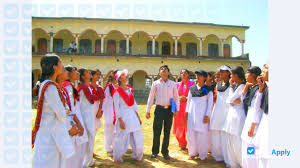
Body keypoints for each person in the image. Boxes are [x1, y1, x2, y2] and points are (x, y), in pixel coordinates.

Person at [32, 54, 76, 168]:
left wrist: (64, 111)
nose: (63, 66)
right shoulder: (50, 87)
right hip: (50, 134)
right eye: (60, 63)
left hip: (49, 131)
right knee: (50, 162)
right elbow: (61, 114)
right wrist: (65, 111)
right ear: (55, 67)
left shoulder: (47, 84)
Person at [146, 65, 179, 160]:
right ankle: (154, 152)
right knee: (157, 131)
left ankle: (165, 152)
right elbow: (151, 97)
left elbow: (176, 97)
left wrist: (177, 109)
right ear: (159, 73)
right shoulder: (155, 83)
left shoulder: (173, 84)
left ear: (169, 73)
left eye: (165, 70)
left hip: (169, 110)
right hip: (159, 109)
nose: (164, 71)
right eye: (162, 70)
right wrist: (148, 110)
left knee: (167, 131)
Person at [113, 69, 144, 163]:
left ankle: (138, 155)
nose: (126, 75)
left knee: (137, 135)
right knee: (121, 136)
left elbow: (134, 104)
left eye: (125, 74)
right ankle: (118, 156)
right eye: (123, 75)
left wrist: (138, 117)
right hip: (123, 116)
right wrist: (120, 120)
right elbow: (116, 107)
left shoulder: (130, 90)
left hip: (132, 115)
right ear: (119, 79)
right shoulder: (117, 92)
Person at [63, 65, 89, 168]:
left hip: (75, 118)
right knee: (77, 148)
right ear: (69, 74)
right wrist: (79, 124)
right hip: (73, 120)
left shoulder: (70, 86)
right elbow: (70, 109)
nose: (77, 73)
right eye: (75, 71)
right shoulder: (68, 87)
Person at [186, 70, 213, 161]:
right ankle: (192, 153)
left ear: (204, 77)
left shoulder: (207, 89)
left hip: (202, 115)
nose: (197, 76)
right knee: (191, 134)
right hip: (191, 115)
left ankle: (203, 155)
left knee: (202, 135)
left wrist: (207, 115)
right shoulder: (192, 88)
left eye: (200, 75)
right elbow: (189, 101)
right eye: (197, 75)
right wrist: (187, 113)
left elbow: (210, 103)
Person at [77, 69, 101, 167]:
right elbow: (77, 103)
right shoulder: (81, 88)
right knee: (85, 139)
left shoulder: (88, 87)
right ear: (83, 76)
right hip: (84, 116)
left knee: (91, 137)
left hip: (89, 115)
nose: (89, 73)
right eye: (87, 72)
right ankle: (83, 162)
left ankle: (89, 160)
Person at [223, 66, 246, 168]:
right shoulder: (235, 86)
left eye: (231, 74)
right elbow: (229, 100)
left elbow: (232, 99)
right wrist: (231, 87)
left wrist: (232, 100)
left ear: (236, 75)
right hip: (232, 115)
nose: (230, 76)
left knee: (237, 142)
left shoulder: (242, 86)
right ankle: (233, 164)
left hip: (238, 116)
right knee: (230, 142)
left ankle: (241, 164)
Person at [240, 66, 262, 168]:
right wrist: (246, 88)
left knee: (251, 146)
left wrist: (253, 125)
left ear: (253, 75)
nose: (245, 75)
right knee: (246, 144)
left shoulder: (260, 90)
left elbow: (258, 109)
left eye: (247, 73)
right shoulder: (252, 88)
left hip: (254, 122)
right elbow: (243, 100)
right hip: (249, 119)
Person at [210, 65, 231, 167]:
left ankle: (227, 157)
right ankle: (218, 155)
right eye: (220, 71)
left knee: (225, 135)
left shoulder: (232, 84)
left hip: (227, 112)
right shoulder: (217, 84)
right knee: (216, 133)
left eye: (223, 71)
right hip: (217, 110)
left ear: (228, 73)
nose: (221, 73)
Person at [173, 69, 195, 150]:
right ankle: (182, 144)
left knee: (188, 125)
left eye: (185, 73)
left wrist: (185, 98)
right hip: (179, 108)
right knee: (179, 125)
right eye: (181, 73)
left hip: (188, 107)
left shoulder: (193, 84)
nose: (183, 74)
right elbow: (173, 96)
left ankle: (191, 144)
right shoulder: (177, 85)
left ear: (188, 74)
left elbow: (195, 95)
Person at [252, 64, 269, 168]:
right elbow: (258, 106)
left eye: (265, 70)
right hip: (265, 123)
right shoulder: (266, 89)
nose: (262, 74)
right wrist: (261, 89)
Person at [102, 70, 119, 155]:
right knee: (109, 129)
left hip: (118, 111)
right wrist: (102, 110)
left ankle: (116, 146)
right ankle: (108, 148)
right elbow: (105, 100)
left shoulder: (120, 86)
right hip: (109, 110)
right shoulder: (108, 87)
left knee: (117, 130)